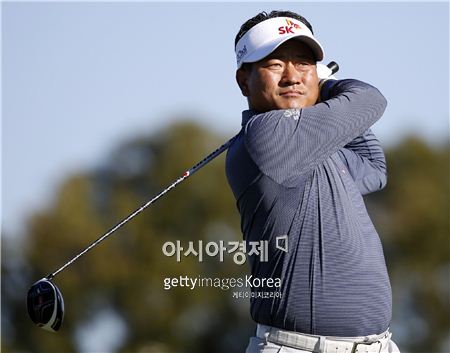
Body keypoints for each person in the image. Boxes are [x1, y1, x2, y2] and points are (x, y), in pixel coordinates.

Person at [225, 10, 401, 353]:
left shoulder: (314, 146)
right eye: (276, 65)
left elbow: (373, 168)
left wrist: (316, 85)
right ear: (243, 80)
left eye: (303, 63)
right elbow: (369, 100)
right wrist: (324, 82)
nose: (292, 76)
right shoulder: (266, 136)